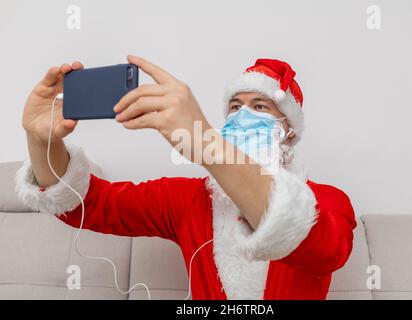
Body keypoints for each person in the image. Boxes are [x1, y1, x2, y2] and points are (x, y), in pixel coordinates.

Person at [15, 55, 356, 300]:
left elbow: (322, 249)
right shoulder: (189, 200)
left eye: (261, 107)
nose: (243, 116)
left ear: (289, 130)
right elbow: (88, 204)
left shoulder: (326, 200)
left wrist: (206, 145)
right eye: (235, 107)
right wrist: (41, 140)